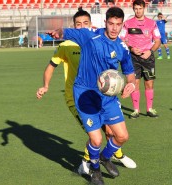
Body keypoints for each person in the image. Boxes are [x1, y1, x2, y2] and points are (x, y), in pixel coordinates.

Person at [36, 8, 136, 177]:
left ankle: (105, 158)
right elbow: (66, 32)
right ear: (105, 23)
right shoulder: (90, 35)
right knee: (96, 139)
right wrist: (57, 32)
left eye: (118, 25)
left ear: (122, 25)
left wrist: (131, 84)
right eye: (111, 24)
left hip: (108, 97)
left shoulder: (122, 47)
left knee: (122, 136)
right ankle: (95, 170)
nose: (114, 28)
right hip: (85, 95)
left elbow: (130, 74)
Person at [120, 0, 161, 119]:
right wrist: (131, 49)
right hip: (133, 57)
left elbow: (158, 41)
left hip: (148, 58)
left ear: (144, 8)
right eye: (136, 8)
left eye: (140, 8)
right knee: (135, 83)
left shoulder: (152, 23)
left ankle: (149, 109)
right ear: (133, 9)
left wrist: (150, 51)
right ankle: (136, 110)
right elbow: (122, 40)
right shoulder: (127, 24)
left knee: (149, 83)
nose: (138, 11)